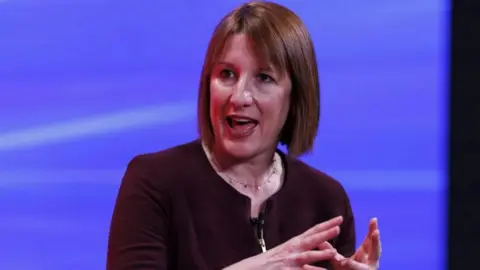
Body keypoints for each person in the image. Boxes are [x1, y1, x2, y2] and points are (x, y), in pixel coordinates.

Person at [107, 1, 382, 269]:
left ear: (295, 96)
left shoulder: (326, 200)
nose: (239, 96)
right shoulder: (154, 181)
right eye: (226, 74)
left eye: (264, 78)